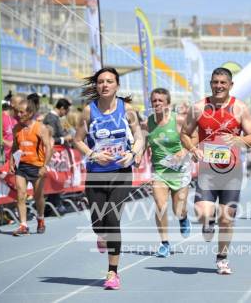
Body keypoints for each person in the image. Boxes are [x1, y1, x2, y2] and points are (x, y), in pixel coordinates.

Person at [180, 67, 251, 275]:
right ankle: (209, 220)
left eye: (223, 82)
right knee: (202, 213)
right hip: (207, 171)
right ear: (211, 84)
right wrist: (192, 148)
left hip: (232, 173)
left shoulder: (240, 108)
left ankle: (222, 257)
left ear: (230, 85)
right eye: (215, 82)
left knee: (227, 219)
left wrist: (238, 139)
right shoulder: (198, 108)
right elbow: (185, 134)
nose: (219, 86)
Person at [74, 67, 144, 290]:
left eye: (109, 81)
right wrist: (94, 154)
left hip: (121, 172)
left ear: (117, 86)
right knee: (99, 223)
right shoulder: (88, 111)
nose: (104, 85)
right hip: (96, 173)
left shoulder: (127, 109)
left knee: (113, 220)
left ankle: (112, 273)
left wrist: (133, 153)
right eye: (101, 81)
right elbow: (78, 140)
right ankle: (101, 234)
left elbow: (140, 138)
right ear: (96, 85)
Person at [145, 88, 193, 258]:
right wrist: (137, 155)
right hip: (159, 171)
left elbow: (194, 138)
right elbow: (144, 143)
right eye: (154, 101)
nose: (157, 103)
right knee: (160, 205)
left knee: (178, 207)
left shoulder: (179, 120)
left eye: (160, 100)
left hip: (180, 170)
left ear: (168, 104)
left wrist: (184, 152)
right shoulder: (148, 123)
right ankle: (164, 243)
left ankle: (183, 218)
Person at [10, 98, 53, 236]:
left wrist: (44, 166)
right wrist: (12, 161)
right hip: (21, 166)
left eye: (21, 112)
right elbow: (15, 146)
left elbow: (49, 147)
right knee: (20, 195)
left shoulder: (40, 128)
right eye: (17, 112)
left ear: (30, 112)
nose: (19, 114)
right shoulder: (16, 128)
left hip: (37, 166)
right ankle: (23, 225)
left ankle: (40, 219)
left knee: (38, 196)